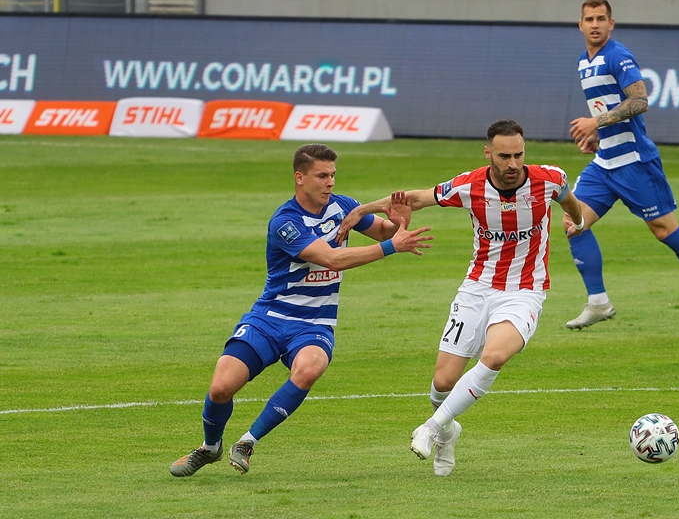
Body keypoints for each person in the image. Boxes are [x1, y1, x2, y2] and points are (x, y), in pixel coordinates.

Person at [337, 119, 585, 476]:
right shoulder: (470, 186)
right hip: (476, 289)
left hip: (524, 291)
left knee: (494, 356)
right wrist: (362, 210)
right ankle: (448, 432)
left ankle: (430, 428)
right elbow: (416, 198)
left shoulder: (549, 179)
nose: (513, 164)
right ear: (488, 153)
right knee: (442, 383)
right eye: (504, 156)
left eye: (518, 155)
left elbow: (569, 201)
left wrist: (577, 222)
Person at [170, 143, 433, 477]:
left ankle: (248, 442)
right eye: (322, 176)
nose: (330, 182)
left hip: (315, 323)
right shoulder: (285, 222)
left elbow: (383, 231)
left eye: (333, 175)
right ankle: (210, 448)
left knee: (310, 368)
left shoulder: (343, 206)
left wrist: (399, 223)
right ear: (300, 178)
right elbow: (331, 259)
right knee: (221, 387)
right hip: (269, 318)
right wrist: (391, 247)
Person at [564, 0, 679, 331]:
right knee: (574, 222)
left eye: (601, 18)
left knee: (664, 230)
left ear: (611, 24)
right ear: (580, 25)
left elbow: (639, 101)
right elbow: (608, 106)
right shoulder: (584, 62)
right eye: (590, 19)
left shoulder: (618, 56)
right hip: (605, 161)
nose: (595, 24)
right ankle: (598, 303)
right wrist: (598, 135)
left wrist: (596, 123)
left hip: (635, 162)